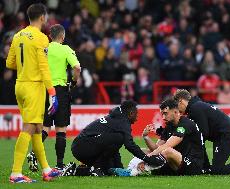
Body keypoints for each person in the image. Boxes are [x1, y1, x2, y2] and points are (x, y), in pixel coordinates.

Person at [6, 3, 60, 183]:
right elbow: (44, 68)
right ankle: (15, 173)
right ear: (43, 17)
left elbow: (10, 63)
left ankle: (46, 169)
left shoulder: (18, 35)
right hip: (34, 87)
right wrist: (52, 92)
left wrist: (26, 65)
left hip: (20, 85)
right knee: (30, 126)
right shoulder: (41, 38)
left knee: (37, 128)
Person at [27, 24, 81, 172]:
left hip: (43, 89)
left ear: (50, 36)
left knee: (45, 126)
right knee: (60, 129)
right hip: (60, 90)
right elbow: (77, 67)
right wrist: (74, 82)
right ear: (62, 37)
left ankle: (33, 153)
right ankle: (59, 165)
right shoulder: (65, 49)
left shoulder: (44, 49)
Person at [173, 89, 230, 175]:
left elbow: (203, 134)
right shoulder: (196, 106)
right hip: (223, 134)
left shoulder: (195, 108)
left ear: (181, 101)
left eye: (177, 106)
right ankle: (206, 167)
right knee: (215, 168)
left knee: (217, 170)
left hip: (226, 135)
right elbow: (201, 136)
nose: (178, 110)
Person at [67, 100, 166, 176]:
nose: (137, 117)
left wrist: (120, 168)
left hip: (80, 146)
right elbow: (129, 145)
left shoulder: (116, 118)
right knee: (119, 137)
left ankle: (77, 170)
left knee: (111, 171)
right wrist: (148, 160)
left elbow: (114, 148)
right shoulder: (123, 122)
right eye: (136, 114)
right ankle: (97, 168)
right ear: (131, 113)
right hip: (83, 147)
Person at [113, 99, 205, 176]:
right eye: (162, 114)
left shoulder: (185, 124)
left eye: (165, 113)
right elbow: (156, 149)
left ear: (176, 111)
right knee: (143, 151)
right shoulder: (169, 126)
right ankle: (129, 169)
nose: (163, 117)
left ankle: (134, 172)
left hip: (192, 166)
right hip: (177, 163)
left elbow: (166, 146)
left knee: (167, 151)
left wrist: (146, 159)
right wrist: (146, 137)